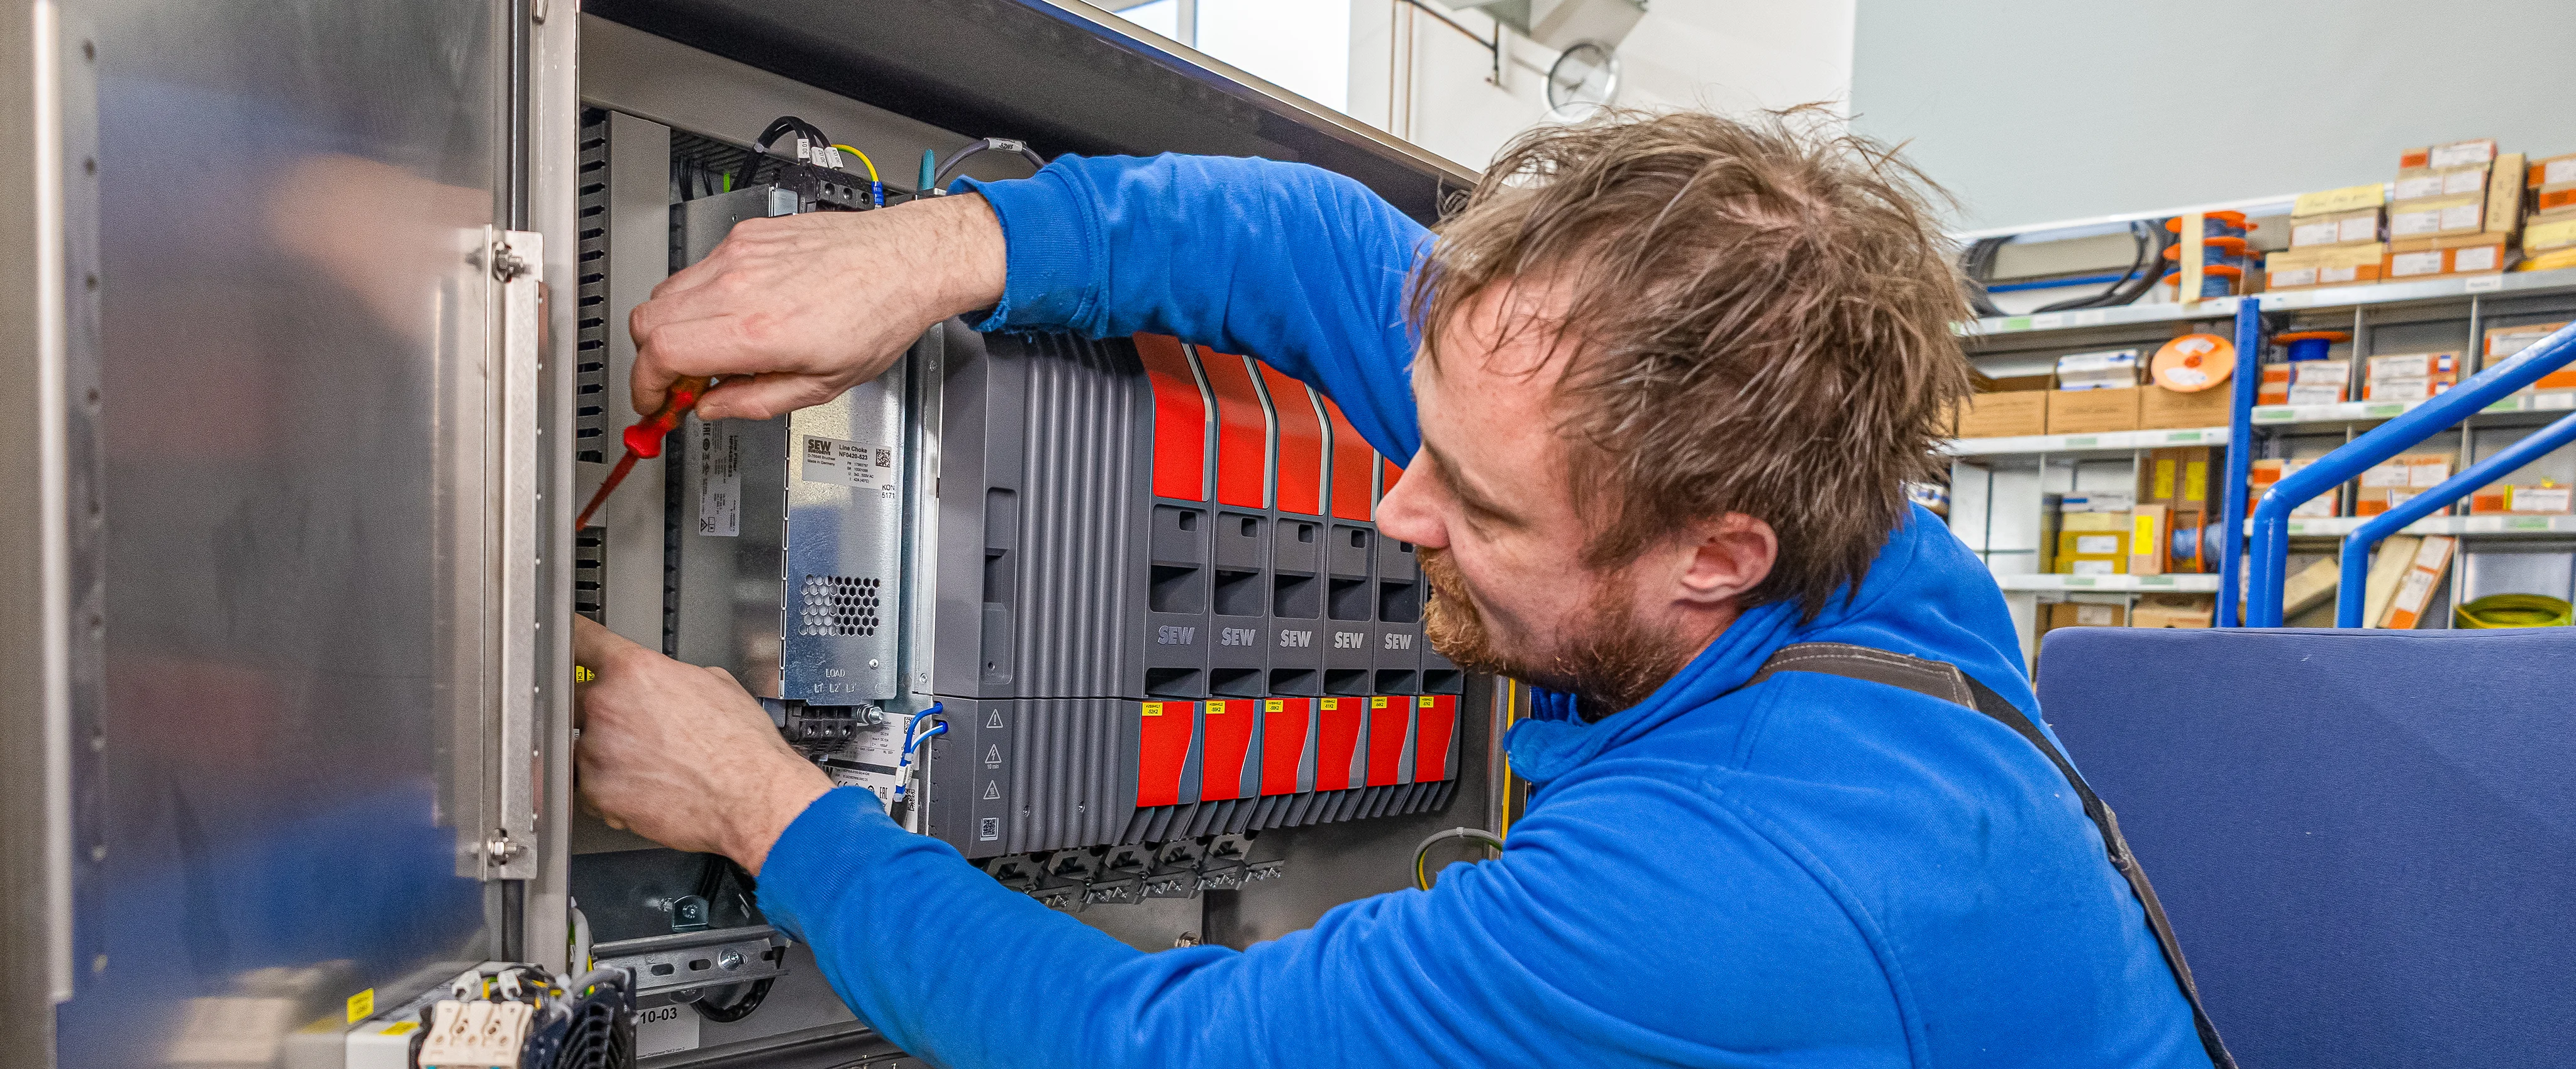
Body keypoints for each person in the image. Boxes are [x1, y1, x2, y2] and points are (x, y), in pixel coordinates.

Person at [572, 109, 2218, 1068]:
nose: (1394, 502)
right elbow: (1311, 242)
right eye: (1423, 429)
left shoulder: (1713, 900)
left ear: (1715, 551)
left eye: (1480, 502)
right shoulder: (1859, 543)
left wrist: (772, 814)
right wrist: (936, 249)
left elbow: (1154, 1046)